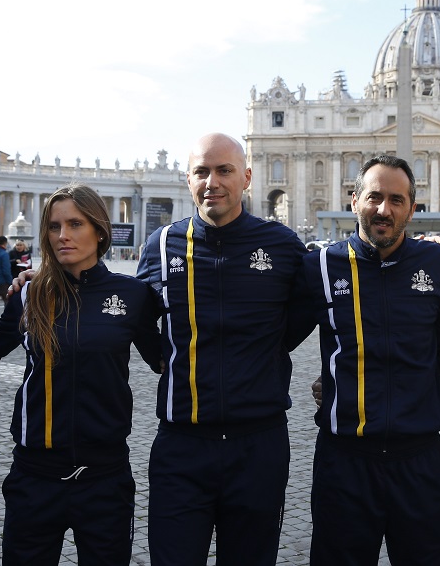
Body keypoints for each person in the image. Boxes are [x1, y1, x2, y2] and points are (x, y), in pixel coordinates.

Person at [136, 133, 313, 566]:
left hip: (258, 442)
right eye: (202, 171)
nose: (212, 181)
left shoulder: (283, 245)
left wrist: (265, 350)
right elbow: (137, 314)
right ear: (188, 179)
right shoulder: (161, 244)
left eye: (224, 170)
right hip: (182, 443)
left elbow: (305, 312)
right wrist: (161, 356)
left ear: (247, 178)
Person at [0, 184, 161, 565]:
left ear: (99, 230)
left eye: (75, 224)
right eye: (54, 226)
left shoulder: (133, 295)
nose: (62, 235)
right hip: (34, 475)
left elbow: (166, 361)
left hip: (105, 477)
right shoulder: (31, 293)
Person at [303, 155, 440, 565]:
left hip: (418, 457)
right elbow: (272, 335)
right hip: (345, 459)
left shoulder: (437, 263)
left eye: (396, 199)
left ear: (412, 207)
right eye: (374, 197)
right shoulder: (318, 266)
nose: (384, 210)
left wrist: (404, 373)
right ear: (355, 200)